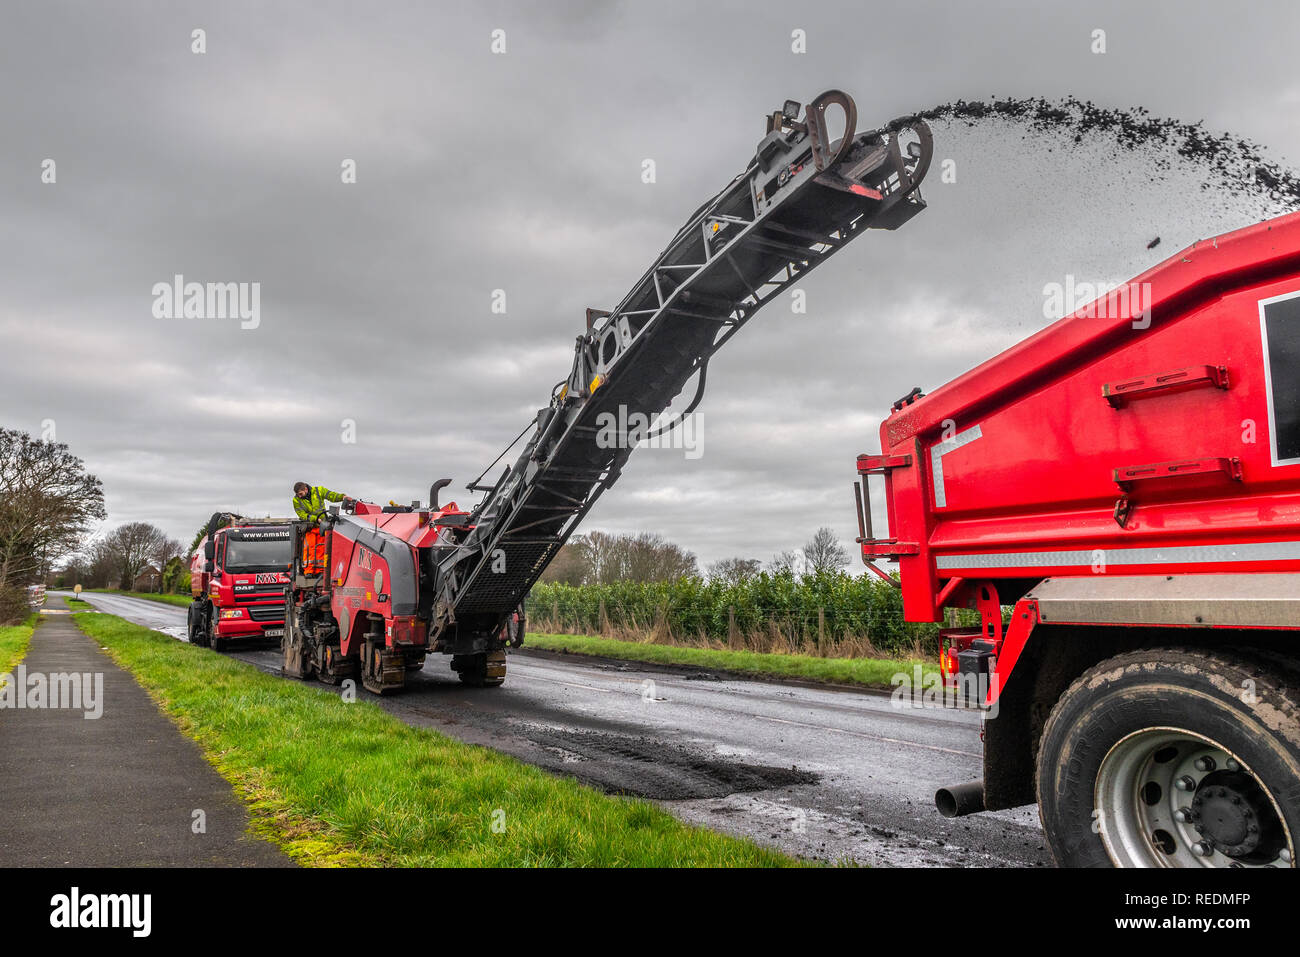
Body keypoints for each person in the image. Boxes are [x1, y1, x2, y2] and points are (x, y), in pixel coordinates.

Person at [292, 483, 354, 574]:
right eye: (298, 495)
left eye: (300, 494)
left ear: (305, 489)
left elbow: (331, 495)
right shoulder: (296, 500)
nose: (299, 496)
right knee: (310, 549)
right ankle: (309, 571)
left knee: (321, 549)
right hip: (310, 528)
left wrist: (342, 497)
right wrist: (316, 519)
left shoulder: (318, 491)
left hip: (322, 527)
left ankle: (320, 571)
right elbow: (302, 515)